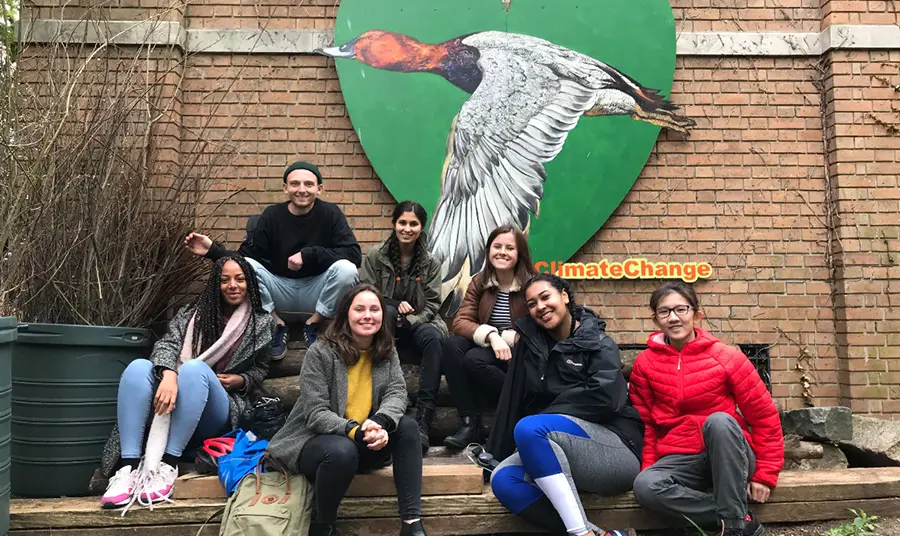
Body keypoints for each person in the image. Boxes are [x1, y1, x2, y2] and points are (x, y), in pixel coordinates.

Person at [98, 255, 275, 510]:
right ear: (215, 284)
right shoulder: (192, 314)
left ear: (250, 283)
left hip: (217, 410)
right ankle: (128, 466)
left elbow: (262, 367)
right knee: (139, 368)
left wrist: (242, 380)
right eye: (225, 280)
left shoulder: (261, 323)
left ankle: (167, 464)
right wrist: (169, 374)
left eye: (240, 279)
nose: (233, 285)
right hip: (173, 397)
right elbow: (168, 344)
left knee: (193, 369)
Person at [484, 274, 643, 536]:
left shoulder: (598, 343)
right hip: (554, 445)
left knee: (530, 428)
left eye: (546, 297)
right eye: (532, 303)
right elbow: (512, 400)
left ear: (565, 296)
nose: (540, 307)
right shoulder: (532, 348)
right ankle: (598, 534)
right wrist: (496, 453)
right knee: (504, 479)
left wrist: (547, 416)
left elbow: (607, 399)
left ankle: (581, 533)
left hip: (615, 450)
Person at [266, 284, 427, 536]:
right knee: (342, 450)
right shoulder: (320, 352)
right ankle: (324, 527)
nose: (367, 315)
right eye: (359, 309)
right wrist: (355, 430)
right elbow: (316, 414)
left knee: (407, 426)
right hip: (317, 444)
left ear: (383, 316)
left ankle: (412, 525)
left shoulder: (386, 350)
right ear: (345, 314)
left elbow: (397, 393)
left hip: (364, 440)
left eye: (374, 309)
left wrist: (381, 423)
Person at [629, 282, 783, 536]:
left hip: (730, 454)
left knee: (719, 421)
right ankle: (739, 519)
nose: (674, 318)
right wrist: (650, 467)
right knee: (645, 486)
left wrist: (765, 474)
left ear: (696, 315)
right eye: (664, 312)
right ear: (655, 320)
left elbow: (764, 414)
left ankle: (732, 529)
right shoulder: (645, 364)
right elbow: (647, 424)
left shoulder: (726, 357)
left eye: (681, 309)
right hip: (681, 458)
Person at [184, 161, 361, 360]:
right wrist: (212, 250)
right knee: (248, 267)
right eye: (295, 184)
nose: (301, 190)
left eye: (308, 184)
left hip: (317, 294)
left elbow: (353, 254)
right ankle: (277, 324)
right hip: (279, 293)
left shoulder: (331, 214)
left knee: (347, 269)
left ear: (319, 189)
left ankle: (313, 323)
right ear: (285, 188)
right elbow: (246, 256)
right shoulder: (272, 215)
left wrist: (309, 254)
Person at [359, 201, 447, 453]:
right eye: (402, 223)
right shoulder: (376, 256)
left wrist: (409, 320)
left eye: (413, 224)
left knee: (434, 336)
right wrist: (395, 306)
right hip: (385, 323)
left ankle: (424, 417)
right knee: (384, 313)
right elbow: (365, 293)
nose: (407, 228)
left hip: (420, 321)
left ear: (421, 227)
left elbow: (432, 303)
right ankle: (380, 406)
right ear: (394, 224)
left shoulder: (430, 262)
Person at [440, 224, 536, 449]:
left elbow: (538, 328)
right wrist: (492, 336)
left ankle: (522, 403)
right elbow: (461, 321)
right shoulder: (480, 281)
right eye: (497, 246)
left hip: (518, 355)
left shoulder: (532, 283)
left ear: (519, 253)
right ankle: (468, 422)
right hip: (490, 348)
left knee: (474, 359)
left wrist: (511, 339)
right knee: (452, 345)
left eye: (509, 248)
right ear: (489, 250)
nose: (502, 252)